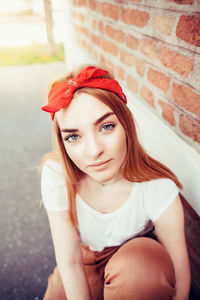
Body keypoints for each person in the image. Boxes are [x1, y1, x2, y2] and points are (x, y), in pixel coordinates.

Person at [40, 65, 191, 300]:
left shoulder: (158, 186)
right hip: (84, 260)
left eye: (106, 126)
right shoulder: (56, 174)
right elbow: (69, 261)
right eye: (73, 136)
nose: (94, 151)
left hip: (138, 257)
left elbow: (180, 274)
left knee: (139, 272)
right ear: (62, 141)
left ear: (126, 125)